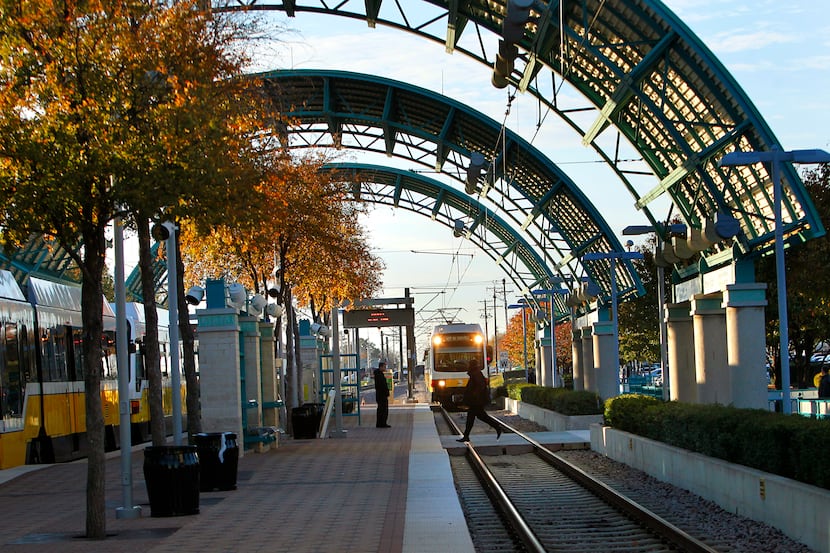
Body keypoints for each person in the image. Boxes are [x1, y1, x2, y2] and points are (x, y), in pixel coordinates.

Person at [457, 359, 502, 442]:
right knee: (480, 416)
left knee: (472, 418)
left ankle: (466, 436)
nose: (467, 366)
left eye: (469, 364)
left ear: (471, 365)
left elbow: (479, 386)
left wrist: (474, 395)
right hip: (476, 401)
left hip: (476, 401)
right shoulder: (475, 373)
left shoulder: (476, 374)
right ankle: (497, 427)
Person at [374, 361, 391, 428]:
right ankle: (382, 423)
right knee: (383, 409)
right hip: (382, 395)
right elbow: (382, 385)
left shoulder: (378, 374)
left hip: (380, 395)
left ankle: (380, 423)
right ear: (381, 367)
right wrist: (386, 392)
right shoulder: (379, 375)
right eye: (384, 367)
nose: (385, 368)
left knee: (381, 409)